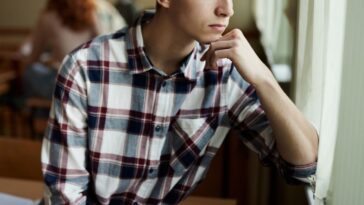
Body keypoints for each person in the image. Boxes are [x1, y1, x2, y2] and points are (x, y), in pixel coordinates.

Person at [41, 0, 318, 204]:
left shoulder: (224, 76)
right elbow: (66, 196)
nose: (227, 9)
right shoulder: (85, 66)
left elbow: (302, 167)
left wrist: (264, 79)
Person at [21, 0, 100, 101]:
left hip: (64, 85)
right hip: (90, 84)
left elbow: (34, 56)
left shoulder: (48, 16)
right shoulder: (91, 14)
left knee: (29, 72)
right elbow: (102, 47)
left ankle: (29, 107)